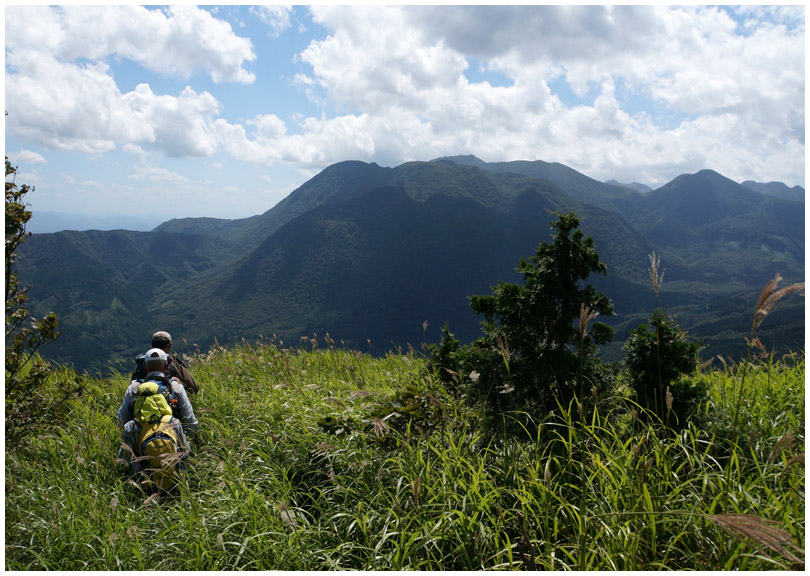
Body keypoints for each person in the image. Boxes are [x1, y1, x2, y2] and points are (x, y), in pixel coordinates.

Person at [118, 348, 200, 486]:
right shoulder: (176, 387)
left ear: (144, 366)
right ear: (166, 365)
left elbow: (121, 418)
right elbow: (190, 419)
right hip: (172, 447)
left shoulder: (134, 388)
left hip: (142, 476)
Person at [131, 330, 199, 394]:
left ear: (152, 346)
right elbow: (193, 388)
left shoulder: (142, 362)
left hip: (143, 404)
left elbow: (132, 387)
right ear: (169, 346)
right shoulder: (173, 363)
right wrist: (179, 384)